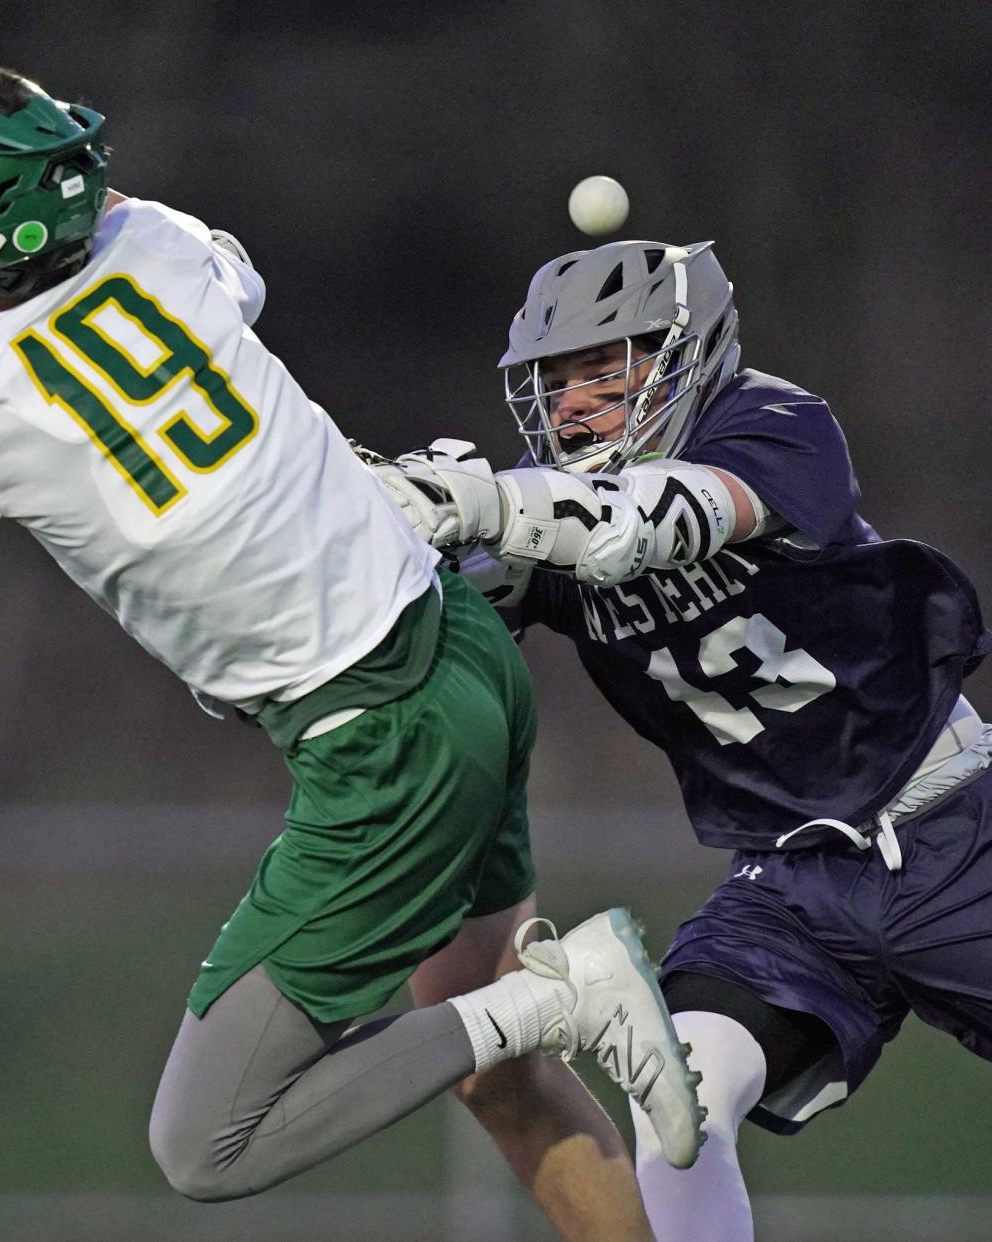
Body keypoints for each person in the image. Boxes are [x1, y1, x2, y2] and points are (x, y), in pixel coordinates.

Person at [0, 68, 705, 1236]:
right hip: (457, 645)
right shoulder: (155, 243)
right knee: (488, 1070)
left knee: (208, 1140)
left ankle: (562, 1001)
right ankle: (552, 1027)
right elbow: (151, 225)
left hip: (376, 751)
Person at [380, 238, 992, 1242]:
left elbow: (647, 523)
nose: (573, 404)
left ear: (687, 353)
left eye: (603, 372)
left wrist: (493, 503)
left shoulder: (770, 425)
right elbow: (439, 611)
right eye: (556, 380)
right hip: (787, 890)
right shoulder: (546, 508)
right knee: (676, 1099)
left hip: (948, 828)